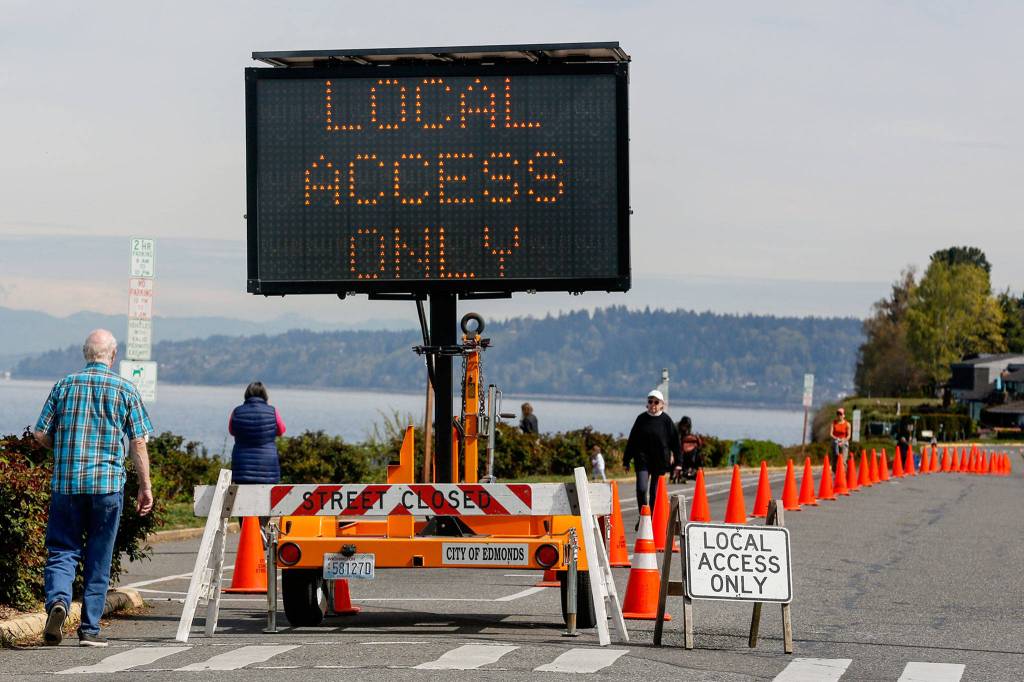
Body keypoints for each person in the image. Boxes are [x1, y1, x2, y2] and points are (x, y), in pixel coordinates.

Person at [33, 330, 154, 647]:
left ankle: (58, 602)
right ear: (112, 356)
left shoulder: (64, 385)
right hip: (107, 487)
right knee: (99, 556)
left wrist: (61, 450)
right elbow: (138, 442)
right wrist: (145, 486)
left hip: (67, 484)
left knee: (62, 550)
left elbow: (40, 433)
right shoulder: (125, 389)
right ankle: (89, 630)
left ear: (86, 354)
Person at [229, 381, 285, 536]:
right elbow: (281, 430)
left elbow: (232, 429)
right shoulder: (272, 411)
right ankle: (260, 528)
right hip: (267, 464)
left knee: (243, 501)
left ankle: (248, 534)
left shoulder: (237, 411)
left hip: (243, 464)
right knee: (267, 499)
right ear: (265, 395)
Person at [623, 390, 682, 516]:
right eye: (650, 401)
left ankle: (653, 519)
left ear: (662, 405)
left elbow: (675, 443)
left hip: (660, 461)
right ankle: (643, 516)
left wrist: (678, 463)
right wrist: (626, 460)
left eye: (656, 402)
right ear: (647, 404)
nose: (653, 404)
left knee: (654, 492)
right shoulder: (641, 419)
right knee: (641, 488)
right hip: (642, 460)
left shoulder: (666, 421)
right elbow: (632, 440)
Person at [676, 416, 704, 484]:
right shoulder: (678, 432)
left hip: (689, 455)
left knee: (696, 458)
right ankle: (684, 473)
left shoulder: (689, 435)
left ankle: (690, 472)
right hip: (683, 454)